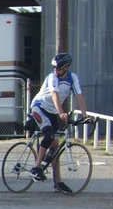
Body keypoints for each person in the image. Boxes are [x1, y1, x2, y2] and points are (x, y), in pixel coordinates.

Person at [28, 53, 88, 194]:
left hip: (52, 111)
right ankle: (36, 168)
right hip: (39, 107)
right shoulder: (52, 77)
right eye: (54, 67)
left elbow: (79, 96)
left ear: (66, 67)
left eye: (59, 68)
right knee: (49, 134)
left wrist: (85, 116)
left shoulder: (72, 78)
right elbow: (55, 95)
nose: (56, 70)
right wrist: (61, 112)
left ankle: (58, 183)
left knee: (56, 147)